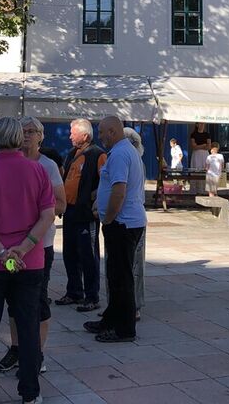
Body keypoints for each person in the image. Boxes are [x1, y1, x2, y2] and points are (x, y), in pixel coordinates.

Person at [0, 116, 54, 404]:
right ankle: (30, 392)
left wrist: (3, 253)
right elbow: (47, 215)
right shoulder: (37, 171)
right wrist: (23, 248)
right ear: (19, 138)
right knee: (28, 327)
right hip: (28, 261)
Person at [0, 117, 66, 375]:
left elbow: (61, 204)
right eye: (22, 131)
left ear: (41, 136)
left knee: (37, 299)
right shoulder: (8, 163)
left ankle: (36, 352)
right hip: (10, 247)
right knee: (13, 298)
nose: (26, 135)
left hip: (39, 246)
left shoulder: (47, 166)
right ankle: (17, 348)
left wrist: (35, 214)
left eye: (31, 131)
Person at [84, 116, 146, 343]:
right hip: (125, 222)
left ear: (112, 131)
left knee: (121, 277)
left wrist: (108, 218)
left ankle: (125, 329)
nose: (100, 137)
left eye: (102, 132)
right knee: (115, 275)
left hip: (122, 223)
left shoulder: (120, 154)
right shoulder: (125, 151)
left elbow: (119, 191)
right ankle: (110, 319)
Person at [57, 118, 107, 313]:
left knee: (88, 255)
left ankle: (92, 296)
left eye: (73, 133)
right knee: (69, 253)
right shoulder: (72, 153)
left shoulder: (98, 154)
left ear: (85, 136)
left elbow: (106, 181)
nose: (70, 136)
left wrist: (94, 198)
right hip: (69, 211)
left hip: (86, 214)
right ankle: (74, 292)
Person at [123, 126, 148, 319]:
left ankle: (134, 306)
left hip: (130, 219)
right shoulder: (135, 160)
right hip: (130, 217)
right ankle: (123, 305)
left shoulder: (132, 161)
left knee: (134, 264)